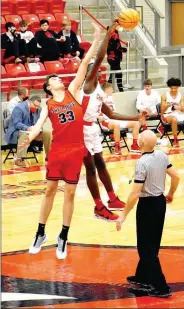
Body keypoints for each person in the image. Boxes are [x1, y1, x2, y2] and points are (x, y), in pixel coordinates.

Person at [21, 23, 101, 259]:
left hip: (76, 149)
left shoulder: (74, 91)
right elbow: (38, 125)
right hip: (58, 149)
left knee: (70, 194)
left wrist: (95, 41)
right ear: (48, 87)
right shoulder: (49, 104)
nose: (59, 79)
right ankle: (41, 231)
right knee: (49, 190)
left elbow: (84, 64)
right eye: (55, 78)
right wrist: (29, 137)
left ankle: (63, 236)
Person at [82, 25, 146, 221]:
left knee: (101, 163)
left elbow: (110, 113)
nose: (98, 69)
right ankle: (98, 207)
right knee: (91, 168)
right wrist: (109, 34)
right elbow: (100, 57)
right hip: (80, 130)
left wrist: (135, 118)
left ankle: (111, 199)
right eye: (94, 68)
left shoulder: (99, 88)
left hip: (92, 129)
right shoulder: (88, 84)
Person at [116, 130, 180, 298]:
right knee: (151, 244)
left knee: (146, 248)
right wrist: (171, 193)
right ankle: (143, 276)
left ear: (141, 143)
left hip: (147, 206)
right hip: (160, 203)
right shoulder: (161, 155)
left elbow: (135, 194)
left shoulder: (142, 163)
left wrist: (123, 215)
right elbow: (176, 176)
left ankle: (161, 287)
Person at [5, 96, 51, 168]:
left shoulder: (38, 109)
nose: (36, 108)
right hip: (16, 131)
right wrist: (27, 128)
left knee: (47, 133)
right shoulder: (19, 108)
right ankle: (19, 160)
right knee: (24, 134)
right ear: (29, 102)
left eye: (38, 106)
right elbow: (17, 124)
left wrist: (40, 125)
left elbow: (38, 122)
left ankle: (49, 157)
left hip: (32, 131)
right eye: (35, 105)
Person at [99, 82, 141, 154]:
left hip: (114, 120)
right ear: (106, 89)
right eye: (111, 89)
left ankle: (134, 145)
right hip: (105, 121)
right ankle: (117, 147)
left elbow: (114, 112)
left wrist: (121, 117)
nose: (112, 90)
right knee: (117, 124)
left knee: (136, 123)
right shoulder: (100, 98)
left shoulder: (111, 98)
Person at [161, 78, 184, 148]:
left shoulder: (181, 96)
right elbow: (162, 110)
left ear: (178, 87)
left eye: (175, 88)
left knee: (176, 117)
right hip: (167, 114)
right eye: (172, 88)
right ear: (170, 87)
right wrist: (167, 105)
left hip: (178, 113)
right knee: (174, 119)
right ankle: (175, 139)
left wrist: (178, 107)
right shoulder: (165, 95)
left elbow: (183, 109)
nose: (173, 90)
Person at [107, 28, 127, 92]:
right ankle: (109, 89)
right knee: (115, 75)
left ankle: (119, 89)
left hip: (115, 59)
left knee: (116, 74)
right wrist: (123, 49)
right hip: (113, 59)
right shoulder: (111, 38)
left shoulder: (114, 37)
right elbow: (114, 48)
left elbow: (118, 48)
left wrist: (124, 49)